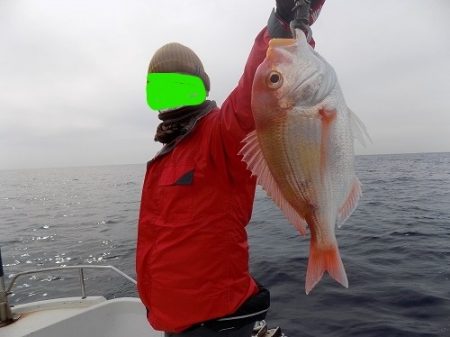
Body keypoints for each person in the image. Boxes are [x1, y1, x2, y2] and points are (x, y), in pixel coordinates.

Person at [136, 1, 326, 336]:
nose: (172, 96)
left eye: (182, 85)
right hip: (171, 323)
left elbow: (258, 88)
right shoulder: (165, 156)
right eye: (161, 87)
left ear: (203, 86)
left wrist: (282, 24)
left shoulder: (221, 134)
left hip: (219, 325)